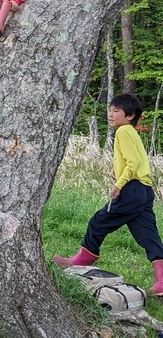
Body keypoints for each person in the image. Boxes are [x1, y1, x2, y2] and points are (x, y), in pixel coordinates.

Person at [53, 94, 163, 296]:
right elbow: (138, 161)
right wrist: (117, 172)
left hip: (132, 189)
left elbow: (134, 164)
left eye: (116, 111)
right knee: (148, 235)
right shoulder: (131, 132)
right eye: (110, 110)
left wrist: (120, 183)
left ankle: (85, 257)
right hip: (145, 190)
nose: (110, 114)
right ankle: (162, 282)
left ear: (129, 116)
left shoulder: (123, 132)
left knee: (98, 221)